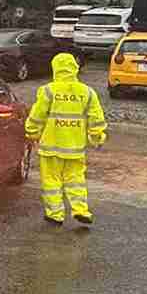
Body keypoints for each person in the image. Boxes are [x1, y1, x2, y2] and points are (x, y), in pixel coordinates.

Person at [24, 52, 106, 226]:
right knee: (76, 179)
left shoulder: (48, 90)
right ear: (74, 69)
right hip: (75, 148)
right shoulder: (87, 92)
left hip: (50, 147)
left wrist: (31, 133)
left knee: (51, 181)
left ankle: (55, 215)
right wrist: (97, 138)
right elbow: (96, 119)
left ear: (55, 69)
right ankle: (80, 210)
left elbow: (37, 115)